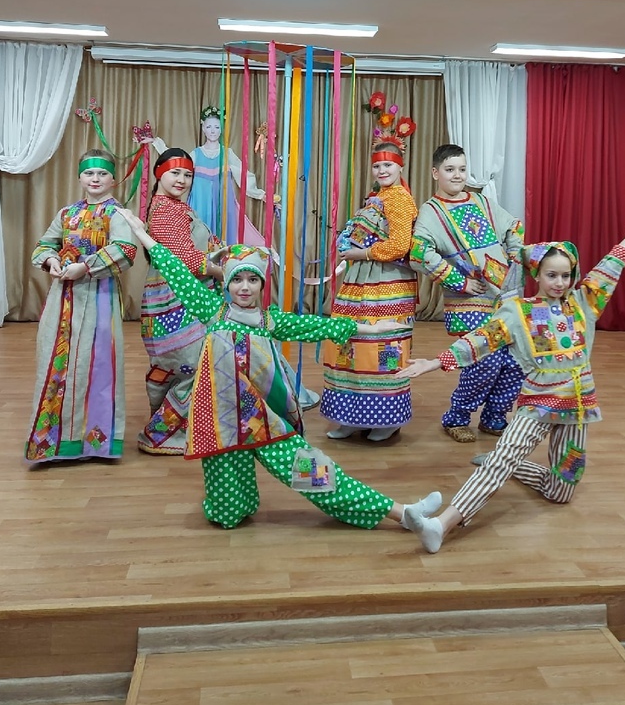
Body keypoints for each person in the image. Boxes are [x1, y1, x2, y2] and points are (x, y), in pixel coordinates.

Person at [117, 207, 441, 532]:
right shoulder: (212, 311)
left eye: (252, 279)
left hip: (264, 422)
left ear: (262, 284)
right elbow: (176, 271)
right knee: (228, 514)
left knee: (318, 475)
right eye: (237, 279)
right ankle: (238, 506)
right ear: (226, 283)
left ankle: (402, 513)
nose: (244, 287)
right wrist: (142, 233)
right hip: (221, 425)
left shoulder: (270, 321)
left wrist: (373, 328)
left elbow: (319, 326)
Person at [403, 187, 625, 553]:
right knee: (502, 461)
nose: (559, 283)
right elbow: (480, 340)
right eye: (552, 275)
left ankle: (509, 464)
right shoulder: (517, 311)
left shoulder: (585, 302)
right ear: (538, 274)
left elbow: (611, 265)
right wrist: (433, 362)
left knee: (561, 490)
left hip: (578, 408)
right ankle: (440, 526)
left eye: (566, 275)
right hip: (537, 403)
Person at [25, 150, 137, 463]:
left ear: (113, 179)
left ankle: (94, 442)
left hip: (100, 296)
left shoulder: (118, 214)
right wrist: (51, 260)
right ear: (80, 178)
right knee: (56, 360)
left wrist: (86, 267)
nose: (95, 179)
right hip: (63, 297)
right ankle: (55, 441)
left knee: (97, 362)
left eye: (102, 173)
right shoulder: (67, 214)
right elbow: (45, 244)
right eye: (89, 173)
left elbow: (125, 249)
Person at [410, 144, 525, 442]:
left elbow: (513, 227)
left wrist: (515, 258)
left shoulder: (482, 201)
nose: (457, 175)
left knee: (515, 361)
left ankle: (494, 416)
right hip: (469, 301)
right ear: (435, 173)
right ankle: (457, 417)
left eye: (462, 169)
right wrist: (459, 281)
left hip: (505, 296)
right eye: (450, 169)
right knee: (484, 360)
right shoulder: (431, 212)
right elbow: (419, 253)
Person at [321, 133, 418, 442]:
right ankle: (351, 416)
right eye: (377, 166)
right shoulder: (378, 196)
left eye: (388, 165)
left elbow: (400, 245)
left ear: (400, 166)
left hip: (386, 283)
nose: (382, 170)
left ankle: (385, 419)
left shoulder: (399, 199)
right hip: (362, 281)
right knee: (350, 343)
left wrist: (361, 254)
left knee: (382, 347)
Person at [138, 148, 222, 455]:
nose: (182, 180)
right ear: (159, 172)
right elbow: (187, 259)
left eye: (188, 175)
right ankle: (158, 435)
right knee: (195, 364)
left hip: (174, 300)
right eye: (175, 172)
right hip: (177, 301)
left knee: (170, 366)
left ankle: (166, 423)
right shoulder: (166, 210)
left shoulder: (173, 206)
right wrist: (227, 272)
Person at [189, 106, 267, 246]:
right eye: (209, 127)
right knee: (199, 233)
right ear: (203, 128)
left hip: (223, 200)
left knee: (224, 234)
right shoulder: (196, 154)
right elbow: (177, 163)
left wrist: (260, 194)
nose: (213, 131)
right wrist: (156, 144)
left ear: (221, 129)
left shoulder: (227, 153)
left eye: (217, 127)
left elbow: (243, 174)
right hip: (200, 200)